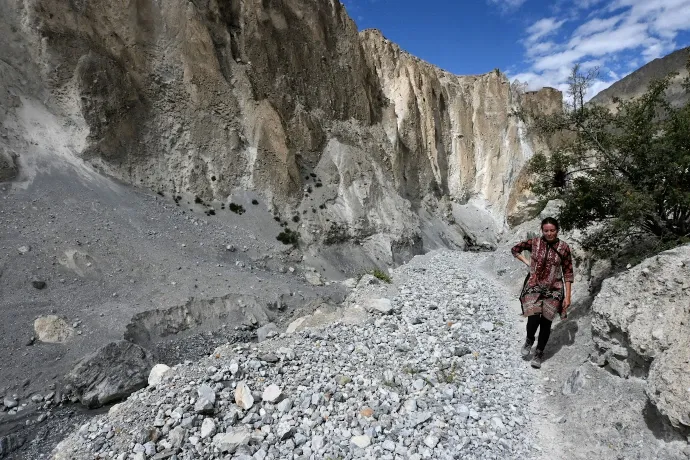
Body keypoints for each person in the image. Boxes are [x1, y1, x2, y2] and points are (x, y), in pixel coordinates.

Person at [511, 217, 574, 369]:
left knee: (546, 322)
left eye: (552, 230)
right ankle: (529, 340)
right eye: (546, 231)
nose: (549, 233)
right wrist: (528, 263)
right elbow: (515, 250)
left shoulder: (564, 248)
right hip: (534, 285)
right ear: (542, 230)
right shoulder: (534, 242)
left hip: (555, 289)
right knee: (533, 318)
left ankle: (539, 352)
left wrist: (568, 296)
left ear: (557, 230)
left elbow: (568, 272)